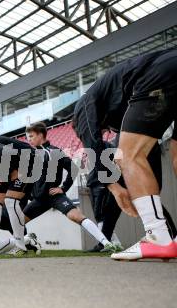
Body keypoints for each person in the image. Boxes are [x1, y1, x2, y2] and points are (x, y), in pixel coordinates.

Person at [73, 49, 177, 260]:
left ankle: (159, 238)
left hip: (158, 73)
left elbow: (93, 145)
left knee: (126, 155)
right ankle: (166, 236)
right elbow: (151, 151)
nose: (104, 133)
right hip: (170, 68)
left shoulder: (83, 105)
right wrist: (150, 194)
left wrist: (114, 188)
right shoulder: (123, 112)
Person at [23, 122, 119, 252]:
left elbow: (73, 168)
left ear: (40, 135)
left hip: (54, 196)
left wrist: (63, 188)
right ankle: (27, 244)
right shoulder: (34, 155)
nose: (29, 139)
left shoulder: (55, 151)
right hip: (39, 200)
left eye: (31, 136)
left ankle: (106, 243)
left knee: (77, 216)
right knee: (18, 222)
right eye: (27, 137)